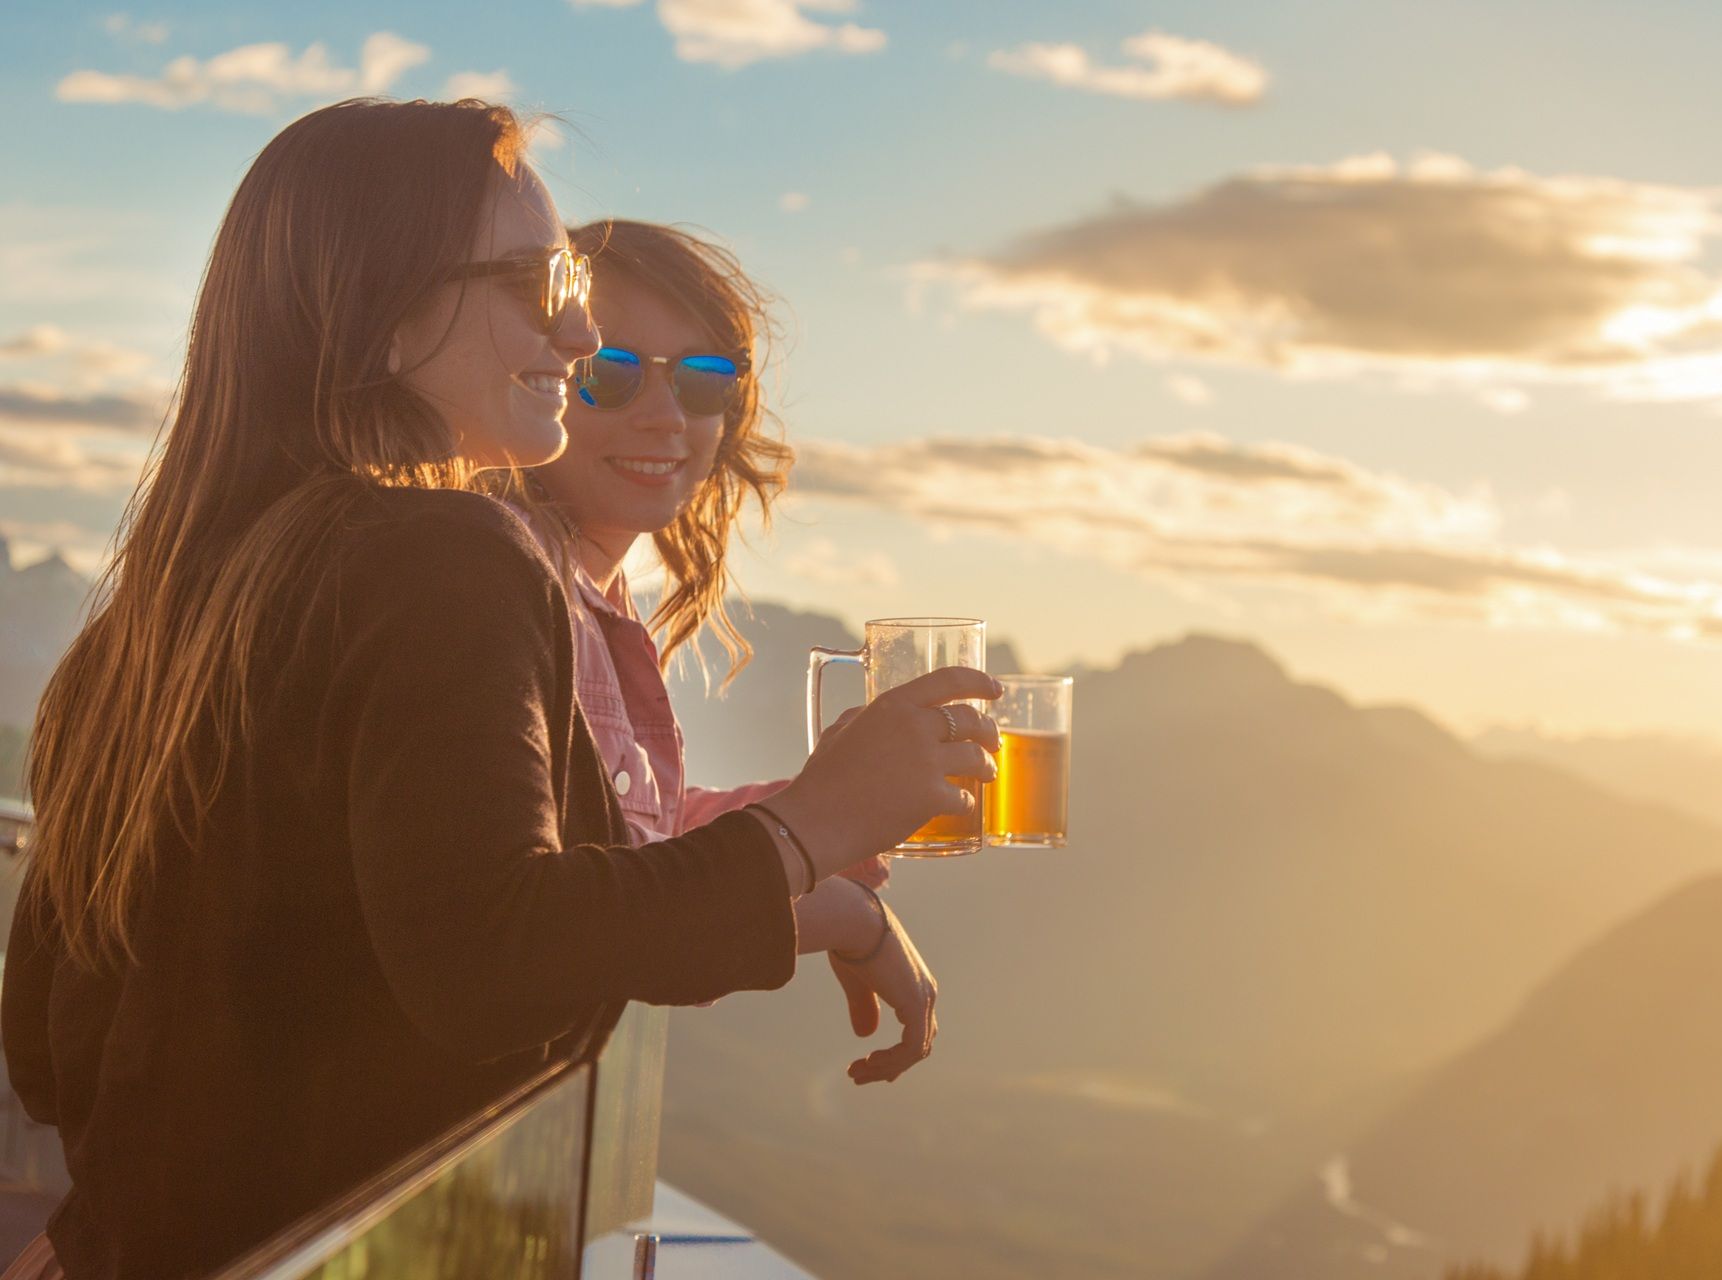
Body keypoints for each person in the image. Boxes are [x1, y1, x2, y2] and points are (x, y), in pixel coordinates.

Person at [0, 98, 998, 1280]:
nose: (576, 331)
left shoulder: (165, 613)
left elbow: (44, 1038)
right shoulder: (447, 556)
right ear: (378, 316)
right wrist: (809, 824)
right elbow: (494, 958)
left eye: (568, 277)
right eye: (538, 282)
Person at [513, 218, 938, 1061]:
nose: (666, 415)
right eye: (609, 373)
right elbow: (581, 932)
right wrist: (834, 895)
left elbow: (627, 839)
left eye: (703, 381)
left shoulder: (588, 594)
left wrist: (819, 807)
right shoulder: (517, 589)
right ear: (544, 378)